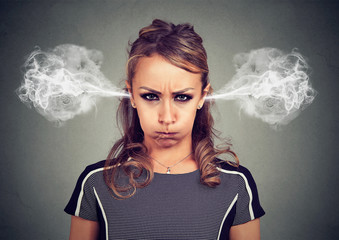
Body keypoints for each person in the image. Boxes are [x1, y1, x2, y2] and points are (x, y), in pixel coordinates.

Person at [64, 19, 265, 240]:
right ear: (131, 95)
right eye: (150, 96)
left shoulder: (235, 183)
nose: (167, 117)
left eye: (182, 97)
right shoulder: (96, 182)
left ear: (202, 97)